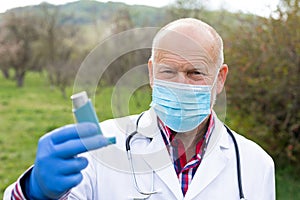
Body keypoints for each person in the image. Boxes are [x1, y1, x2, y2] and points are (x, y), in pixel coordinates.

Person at [4, 18, 275, 200]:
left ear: (220, 78)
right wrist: (34, 190)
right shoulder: (100, 148)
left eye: (195, 73)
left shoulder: (256, 164)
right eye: (168, 71)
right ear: (151, 73)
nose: (181, 84)